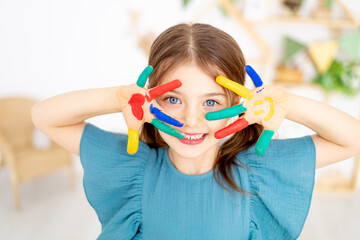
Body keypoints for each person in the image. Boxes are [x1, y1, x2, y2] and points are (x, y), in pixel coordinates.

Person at [31, 23, 360, 240]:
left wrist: (289, 103)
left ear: (239, 102)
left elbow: (353, 138)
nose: (191, 121)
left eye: (212, 103)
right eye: (173, 99)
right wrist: (116, 98)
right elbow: (44, 117)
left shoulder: (259, 168)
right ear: (150, 99)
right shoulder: (134, 165)